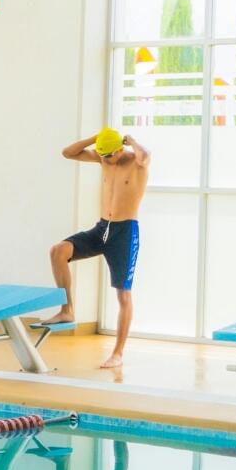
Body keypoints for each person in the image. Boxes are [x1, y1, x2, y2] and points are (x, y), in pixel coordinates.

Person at [52, 126, 150, 372]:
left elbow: (145, 156)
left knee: (123, 295)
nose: (106, 160)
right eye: (102, 155)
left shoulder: (136, 162)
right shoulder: (104, 156)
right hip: (102, 228)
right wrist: (96, 139)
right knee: (58, 251)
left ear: (121, 148)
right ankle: (67, 310)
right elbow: (68, 153)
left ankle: (117, 353)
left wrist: (132, 141)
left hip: (125, 232)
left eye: (110, 155)